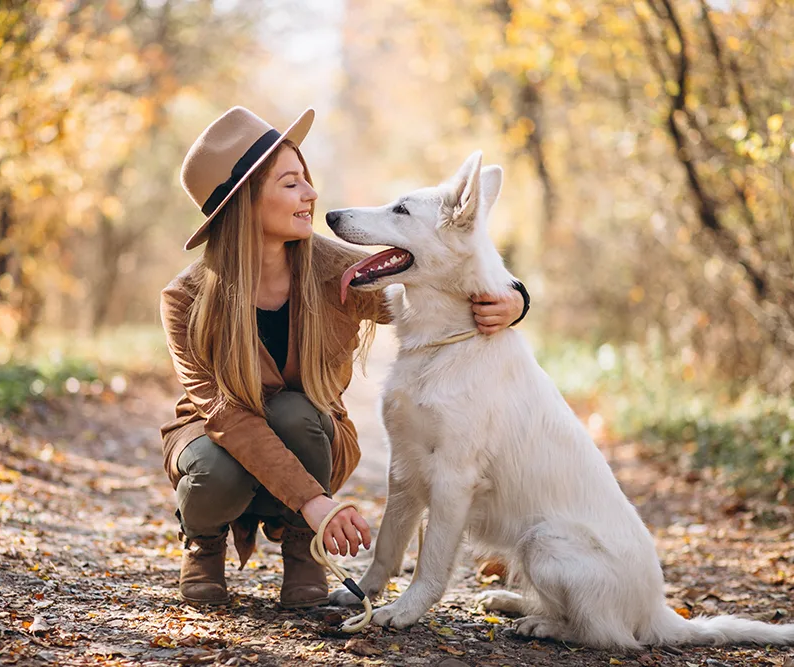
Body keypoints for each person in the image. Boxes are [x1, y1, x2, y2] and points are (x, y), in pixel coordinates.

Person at [158, 106, 530, 608]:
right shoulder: (185, 299)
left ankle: (301, 549)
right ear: (245, 202)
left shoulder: (337, 268)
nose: (311, 194)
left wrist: (514, 297)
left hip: (310, 436)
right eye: (292, 184)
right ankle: (204, 543)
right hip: (219, 439)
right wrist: (317, 503)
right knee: (211, 468)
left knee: (296, 412)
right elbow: (226, 416)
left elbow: (440, 274)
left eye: (306, 179)